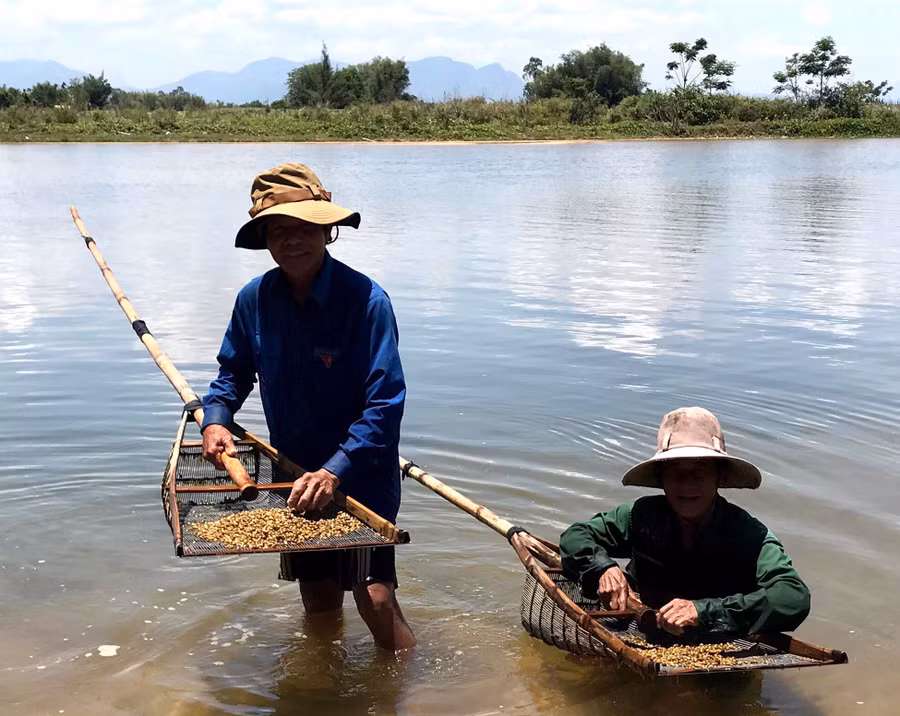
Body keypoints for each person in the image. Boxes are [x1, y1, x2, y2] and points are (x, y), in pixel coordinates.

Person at [200, 162, 416, 650]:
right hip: (293, 472)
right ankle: (321, 689)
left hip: (360, 473)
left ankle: (407, 691)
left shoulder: (366, 302)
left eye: (303, 229)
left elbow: (385, 403)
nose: (291, 241)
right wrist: (217, 420)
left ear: (327, 230)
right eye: (279, 231)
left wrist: (335, 470)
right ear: (266, 239)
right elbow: (232, 374)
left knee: (375, 598)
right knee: (317, 597)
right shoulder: (253, 300)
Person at [560, 407, 810, 636]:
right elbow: (576, 536)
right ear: (661, 478)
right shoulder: (640, 515)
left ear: (719, 477)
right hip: (641, 627)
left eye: (700, 470)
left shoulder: (748, 534)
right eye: (674, 471)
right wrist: (602, 568)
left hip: (716, 640)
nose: (686, 483)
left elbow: (792, 597)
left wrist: (703, 611)